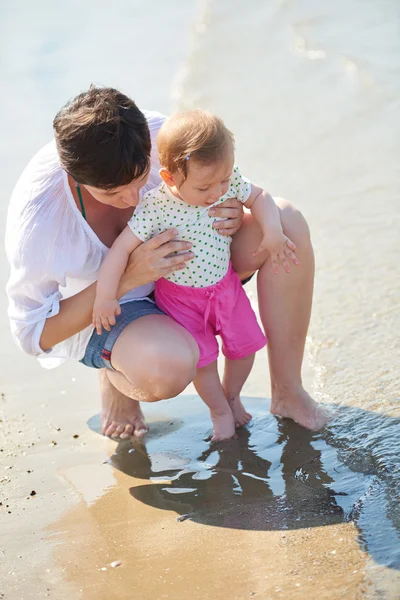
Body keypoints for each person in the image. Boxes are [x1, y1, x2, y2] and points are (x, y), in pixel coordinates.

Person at [5, 85, 329, 441]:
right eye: (112, 193)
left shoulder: (163, 136)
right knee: (169, 366)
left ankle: (287, 392)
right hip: (114, 307)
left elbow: (227, 183)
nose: (132, 198)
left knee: (287, 223)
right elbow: (32, 334)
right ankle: (115, 367)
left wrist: (234, 213)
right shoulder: (39, 215)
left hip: (195, 269)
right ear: (75, 179)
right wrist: (128, 278)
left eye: (141, 178)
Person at [93, 109, 299, 440]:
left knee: (245, 347)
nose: (218, 191)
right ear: (171, 178)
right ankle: (218, 410)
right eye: (206, 187)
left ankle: (232, 395)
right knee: (203, 362)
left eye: (224, 180)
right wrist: (106, 296)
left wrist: (272, 231)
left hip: (225, 288)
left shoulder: (224, 180)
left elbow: (259, 196)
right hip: (181, 300)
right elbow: (119, 250)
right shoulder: (154, 208)